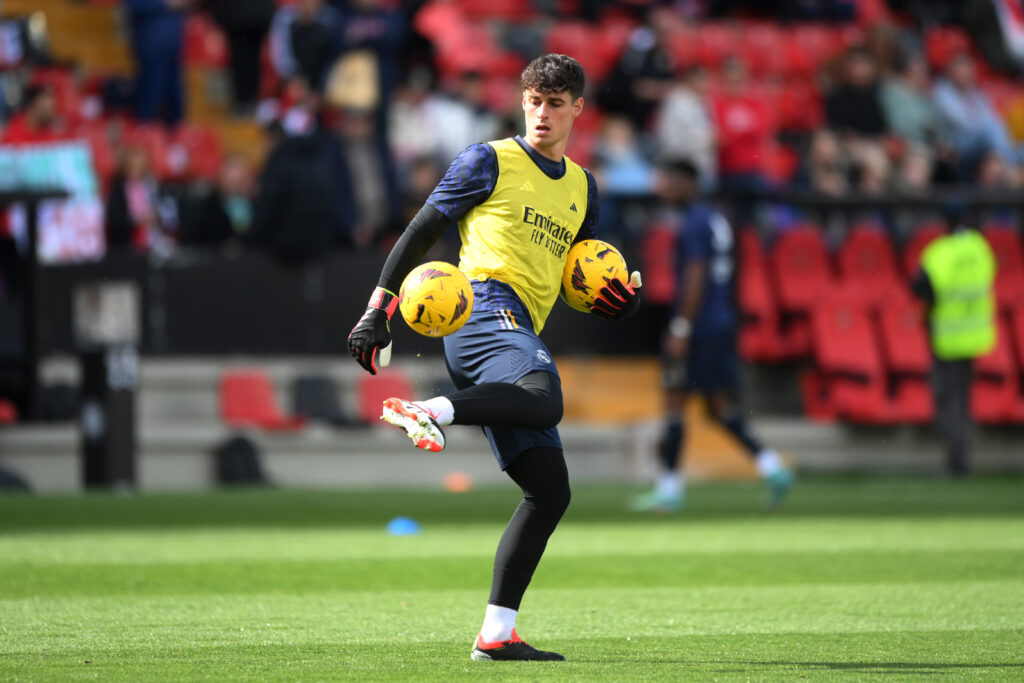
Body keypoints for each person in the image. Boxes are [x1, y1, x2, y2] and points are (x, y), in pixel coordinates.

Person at [347, 54, 641, 662]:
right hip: (480, 307)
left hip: (519, 327)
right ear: (521, 101)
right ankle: (429, 408)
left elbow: (568, 277)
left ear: (577, 109)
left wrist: (610, 300)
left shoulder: (582, 187)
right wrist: (377, 308)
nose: (542, 113)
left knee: (549, 492)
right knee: (545, 397)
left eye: (555, 103)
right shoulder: (489, 159)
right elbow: (421, 229)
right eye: (534, 101)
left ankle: (496, 635)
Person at [629, 159, 793, 514]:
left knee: (674, 402)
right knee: (719, 408)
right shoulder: (718, 220)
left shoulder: (693, 224)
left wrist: (681, 327)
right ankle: (773, 467)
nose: (666, 190)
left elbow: (696, 275)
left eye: (672, 181)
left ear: (690, 183)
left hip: (697, 326)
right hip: (720, 322)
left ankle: (669, 490)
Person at [911, 218, 996, 476]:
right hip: (974, 336)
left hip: (947, 338)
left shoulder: (941, 251)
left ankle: (956, 461)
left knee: (947, 400)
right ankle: (962, 458)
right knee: (963, 400)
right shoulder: (981, 249)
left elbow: (919, 287)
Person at [125, 0, 189, 126]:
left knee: (175, 101)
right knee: (149, 99)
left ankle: (175, 139)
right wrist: (165, 4)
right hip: (151, 46)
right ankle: (143, 137)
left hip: (173, 47)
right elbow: (133, 5)